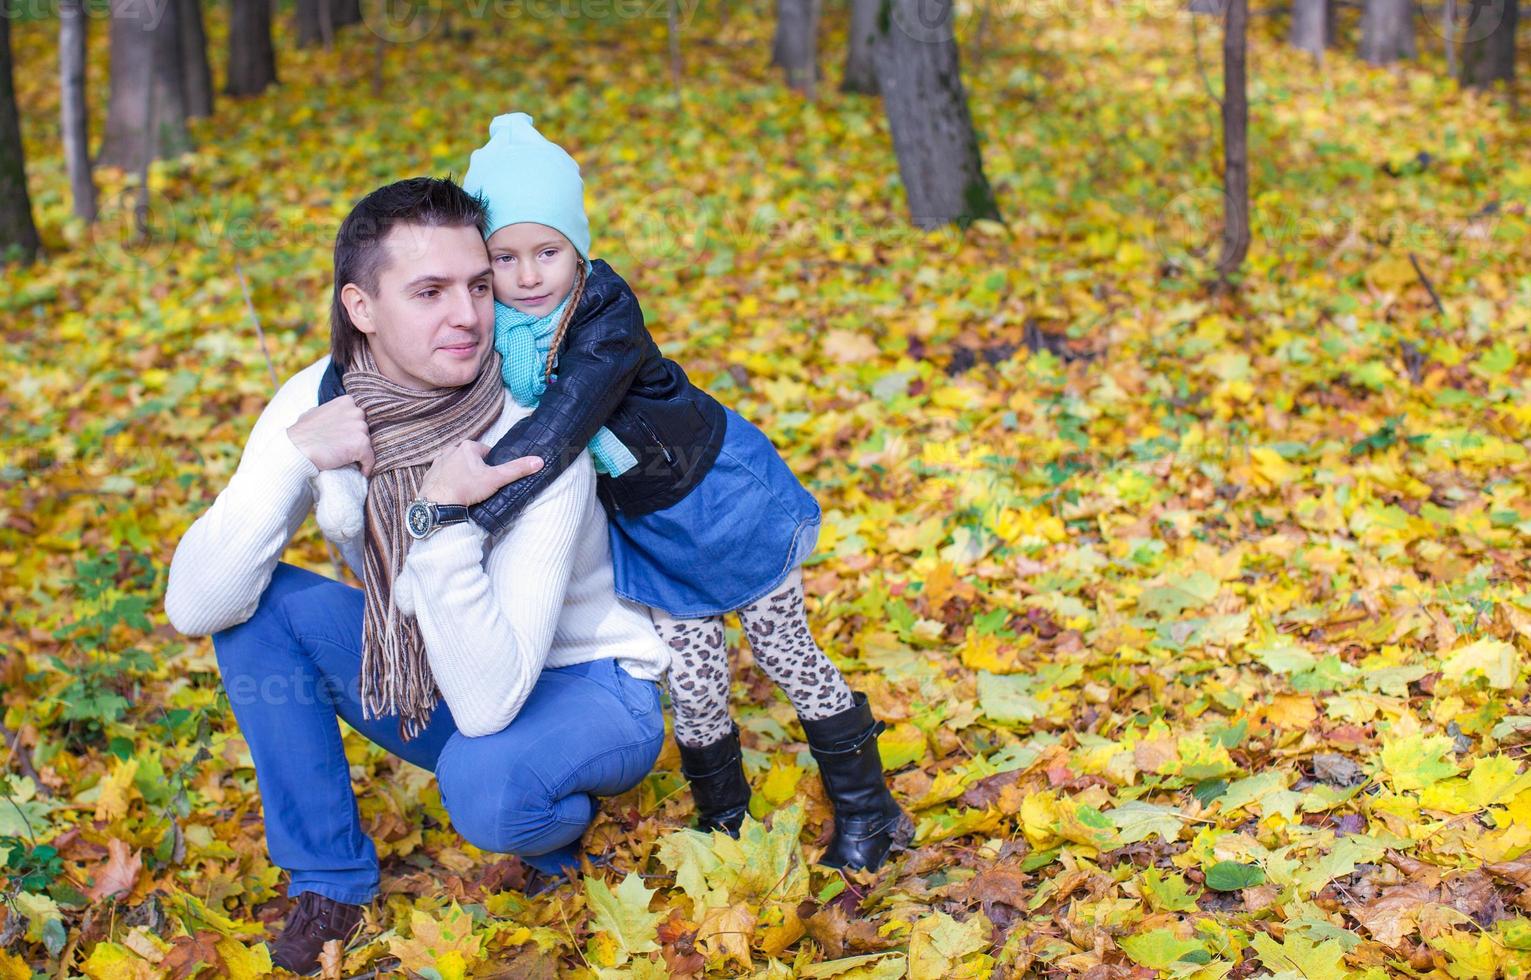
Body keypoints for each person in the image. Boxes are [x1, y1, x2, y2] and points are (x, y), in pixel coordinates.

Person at [317, 114, 911, 872]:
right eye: (504, 258)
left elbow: (558, 431)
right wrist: (336, 403)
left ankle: (869, 812)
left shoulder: (604, 315)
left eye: (549, 252)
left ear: (580, 250)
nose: (528, 276)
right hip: (647, 530)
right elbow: (373, 345)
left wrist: (453, 519)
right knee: (695, 680)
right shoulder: (491, 318)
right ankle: (725, 823)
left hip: (718, 502)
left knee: (783, 651)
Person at [164, 177, 672, 974]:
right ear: (361, 308)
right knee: (256, 614)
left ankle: (553, 821)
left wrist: (437, 517)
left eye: (478, 286)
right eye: (428, 292)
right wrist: (291, 459)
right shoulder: (320, 398)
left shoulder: (536, 416)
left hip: (590, 683)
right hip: (447, 654)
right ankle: (329, 878)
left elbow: (488, 699)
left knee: (487, 782)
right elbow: (195, 606)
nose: (467, 317)